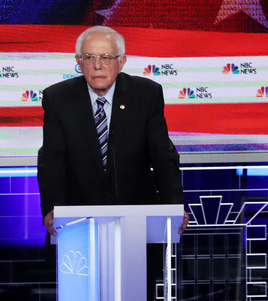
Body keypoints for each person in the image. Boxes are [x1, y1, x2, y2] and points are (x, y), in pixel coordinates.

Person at [36, 25, 187, 235]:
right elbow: (51, 160)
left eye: (106, 57)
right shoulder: (58, 99)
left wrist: (174, 205)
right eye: (89, 57)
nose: (97, 65)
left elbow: (162, 155)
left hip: (137, 215)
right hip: (78, 218)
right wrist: (53, 208)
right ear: (78, 62)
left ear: (121, 61)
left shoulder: (146, 95)